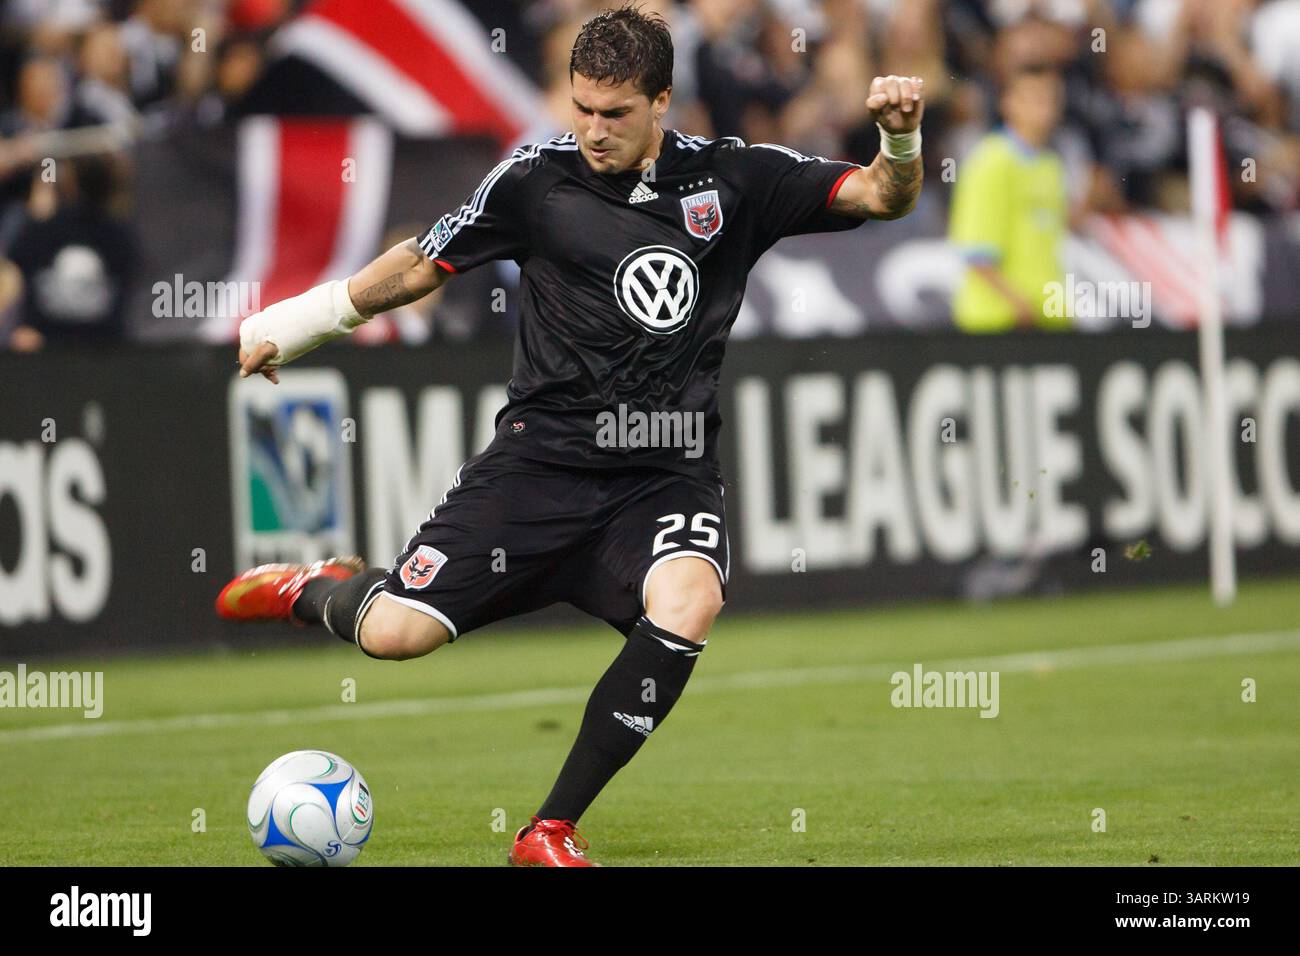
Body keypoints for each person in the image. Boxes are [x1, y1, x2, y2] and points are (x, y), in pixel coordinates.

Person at [215, 3, 924, 866]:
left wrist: (899, 141)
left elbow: (883, 196)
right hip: (539, 466)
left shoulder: (737, 180)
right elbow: (418, 263)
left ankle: (548, 828)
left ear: (663, 101)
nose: (592, 130)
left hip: (665, 474)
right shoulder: (533, 183)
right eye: (581, 107)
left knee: (690, 600)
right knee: (393, 635)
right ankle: (314, 589)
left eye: (615, 113)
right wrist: (297, 324)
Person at [948, 64, 1069, 332]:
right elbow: (976, 249)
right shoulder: (990, 161)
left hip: (1047, 317)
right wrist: (1018, 303)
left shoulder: (1051, 165)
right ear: (1008, 103)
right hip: (1000, 320)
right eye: (1034, 98)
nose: (1044, 107)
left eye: (1050, 99)